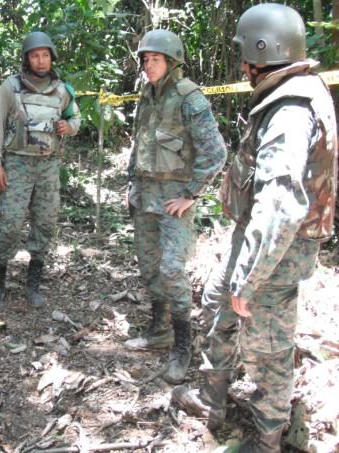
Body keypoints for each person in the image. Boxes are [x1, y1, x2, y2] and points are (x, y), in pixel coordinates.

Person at [171, 4, 337, 452]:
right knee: (217, 303)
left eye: (245, 55)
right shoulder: (284, 93)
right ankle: (212, 398)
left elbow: (281, 201)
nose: (242, 66)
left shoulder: (290, 107)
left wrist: (252, 273)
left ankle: (267, 437)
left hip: (277, 250)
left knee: (267, 347)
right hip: (257, 239)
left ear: (263, 51)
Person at [123, 29, 227, 385]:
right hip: (144, 195)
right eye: (145, 59)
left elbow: (215, 152)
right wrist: (130, 185)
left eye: (155, 59)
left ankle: (183, 344)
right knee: (149, 266)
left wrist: (192, 194)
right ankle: (159, 331)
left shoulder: (189, 96)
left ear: (171, 61)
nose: (149, 65)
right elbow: (139, 144)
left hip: (173, 201)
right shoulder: (146, 95)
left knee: (171, 269)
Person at [0, 31, 80, 313]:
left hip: (48, 166)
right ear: (27, 58)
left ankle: (33, 282)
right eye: (35, 55)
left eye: (45, 55)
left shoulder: (62, 90)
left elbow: (75, 116)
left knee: (46, 221)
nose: (41, 60)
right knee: (11, 222)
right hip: (16, 163)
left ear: (52, 57)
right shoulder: (11, 87)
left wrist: (69, 127)